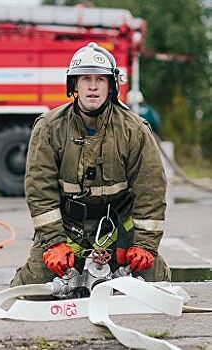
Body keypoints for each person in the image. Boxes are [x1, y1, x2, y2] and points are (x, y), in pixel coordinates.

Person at [11, 42, 170, 286]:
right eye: (85, 78)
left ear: (112, 86)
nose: (93, 86)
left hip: (118, 226)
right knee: (31, 287)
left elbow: (151, 190)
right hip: (69, 228)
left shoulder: (135, 130)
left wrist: (144, 245)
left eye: (100, 79)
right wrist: (54, 243)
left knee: (156, 282)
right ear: (74, 84)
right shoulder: (49, 128)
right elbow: (39, 191)